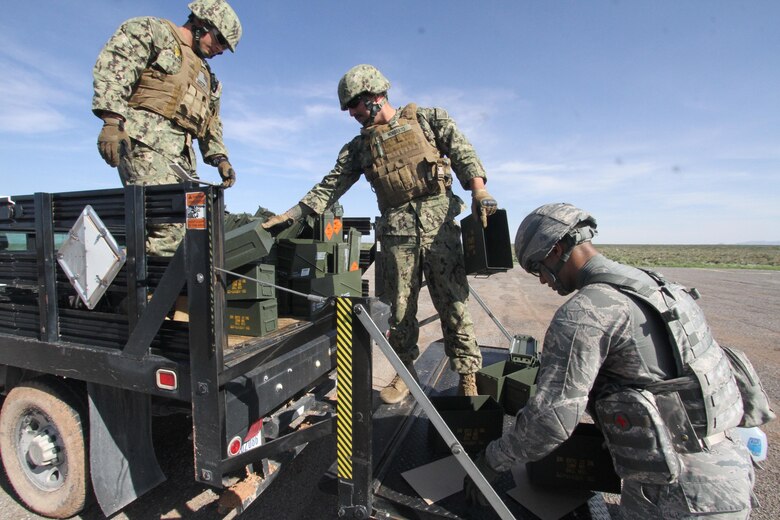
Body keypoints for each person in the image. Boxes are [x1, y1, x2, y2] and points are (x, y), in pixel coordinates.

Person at [465, 202, 760, 518]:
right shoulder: (654, 284)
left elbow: (551, 420)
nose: (541, 280)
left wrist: (492, 461)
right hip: (727, 469)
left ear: (558, 248)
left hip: (678, 494)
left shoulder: (586, 313)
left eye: (537, 267)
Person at [262, 64, 498, 403]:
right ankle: (404, 375)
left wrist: (478, 191)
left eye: (355, 106)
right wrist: (293, 213)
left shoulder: (428, 119)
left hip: (440, 230)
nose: (353, 114)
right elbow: (331, 186)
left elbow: (463, 152)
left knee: (455, 308)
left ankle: (468, 379)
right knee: (400, 314)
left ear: (374, 95)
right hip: (396, 238)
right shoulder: (359, 147)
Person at [92, 0, 241, 256]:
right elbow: (117, 65)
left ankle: (174, 293)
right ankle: (139, 293)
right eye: (219, 39)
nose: (220, 49)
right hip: (146, 146)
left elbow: (211, 123)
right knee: (169, 231)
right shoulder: (154, 32)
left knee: (198, 229)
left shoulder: (208, 79)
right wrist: (112, 120)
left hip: (182, 160)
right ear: (201, 23)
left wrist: (220, 158)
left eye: (225, 47)